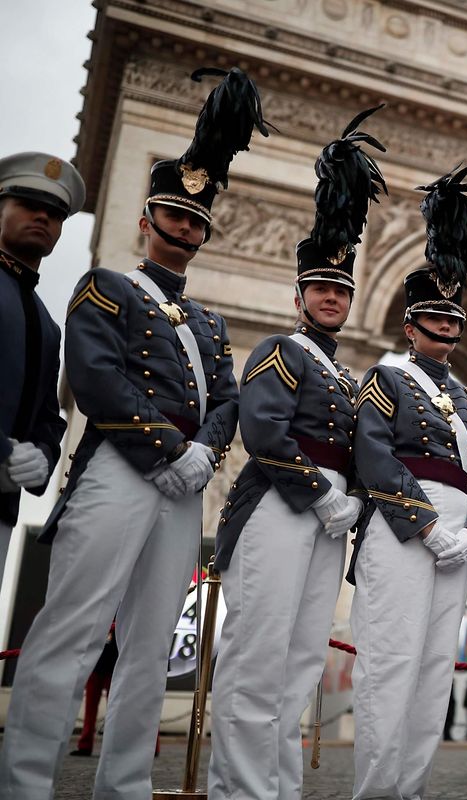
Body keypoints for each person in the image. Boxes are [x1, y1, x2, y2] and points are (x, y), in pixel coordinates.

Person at [0, 67, 267, 800]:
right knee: (72, 633)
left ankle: (122, 788)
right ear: (145, 221)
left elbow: (227, 397)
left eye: (195, 223)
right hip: (119, 465)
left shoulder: (210, 322)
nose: (183, 231)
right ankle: (24, 786)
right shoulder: (104, 289)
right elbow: (96, 378)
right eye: (173, 218)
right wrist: (169, 449)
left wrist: (206, 453)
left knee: (151, 646)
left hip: (183, 484)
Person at [206, 107, 385, 800]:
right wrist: (322, 495)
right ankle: (239, 791)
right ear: (300, 295)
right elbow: (266, 434)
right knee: (257, 657)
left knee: (302, 661)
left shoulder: (343, 374)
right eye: (323, 288)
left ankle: (276, 789)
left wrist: (356, 504)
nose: (334, 298)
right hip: (280, 510)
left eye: (343, 289)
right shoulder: (278, 350)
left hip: (327, 518)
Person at [348, 163, 467, 799]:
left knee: (435, 670)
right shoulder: (385, 380)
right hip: (400, 527)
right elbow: (374, 456)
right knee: (389, 662)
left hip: (457, 536)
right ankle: (376, 791)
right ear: (409, 327)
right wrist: (428, 524)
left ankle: (409, 789)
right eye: (433, 323)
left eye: (452, 324)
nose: (445, 331)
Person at [0, 151, 84, 592]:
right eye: (28, 205)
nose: (41, 217)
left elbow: (49, 416)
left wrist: (44, 457)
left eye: (54, 214)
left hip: (3, 502)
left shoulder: (49, 325)